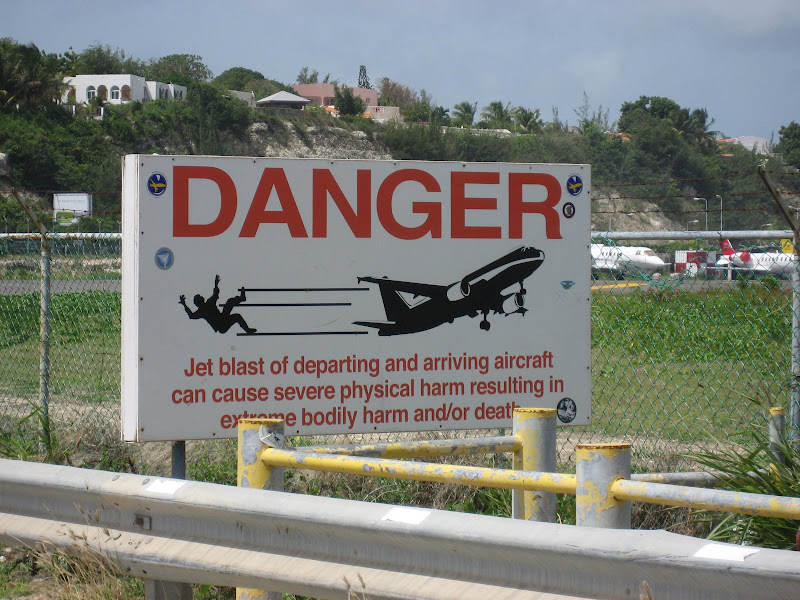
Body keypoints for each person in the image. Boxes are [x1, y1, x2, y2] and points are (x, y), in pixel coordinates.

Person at [179, 275, 256, 334]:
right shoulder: (203, 309)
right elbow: (191, 316)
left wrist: (184, 304)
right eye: (200, 297)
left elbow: (215, 293)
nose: (201, 296)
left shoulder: (207, 304)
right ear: (200, 301)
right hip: (222, 326)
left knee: (229, 302)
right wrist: (184, 305)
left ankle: (242, 298)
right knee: (237, 316)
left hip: (223, 318)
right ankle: (247, 330)